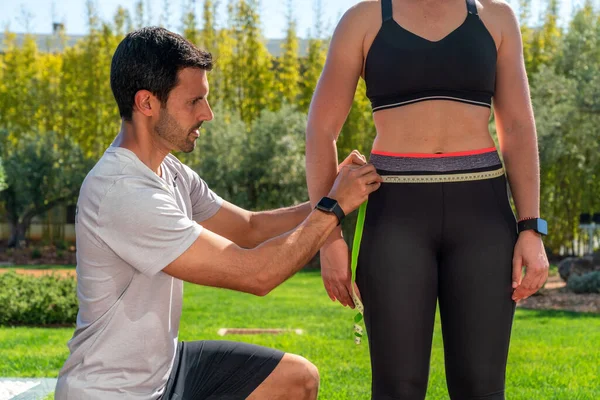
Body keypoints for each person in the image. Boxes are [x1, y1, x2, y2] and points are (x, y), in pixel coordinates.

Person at [55, 27, 382, 400]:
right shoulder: (122, 191)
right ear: (147, 103)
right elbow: (256, 274)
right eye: (194, 101)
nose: (207, 114)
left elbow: (250, 227)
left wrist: (333, 191)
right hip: (113, 392)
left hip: (166, 369)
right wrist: (333, 207)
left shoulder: (169, 170)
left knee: (297, 379)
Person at [305, 0, 550, 399]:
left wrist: (531, 228)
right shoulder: (363, 20)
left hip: (483, 215)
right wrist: (328, 237)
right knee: (397, 387)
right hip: (395, 216)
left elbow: (519, 128)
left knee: (482, 387)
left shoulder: (496, 18)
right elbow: (320, 129)